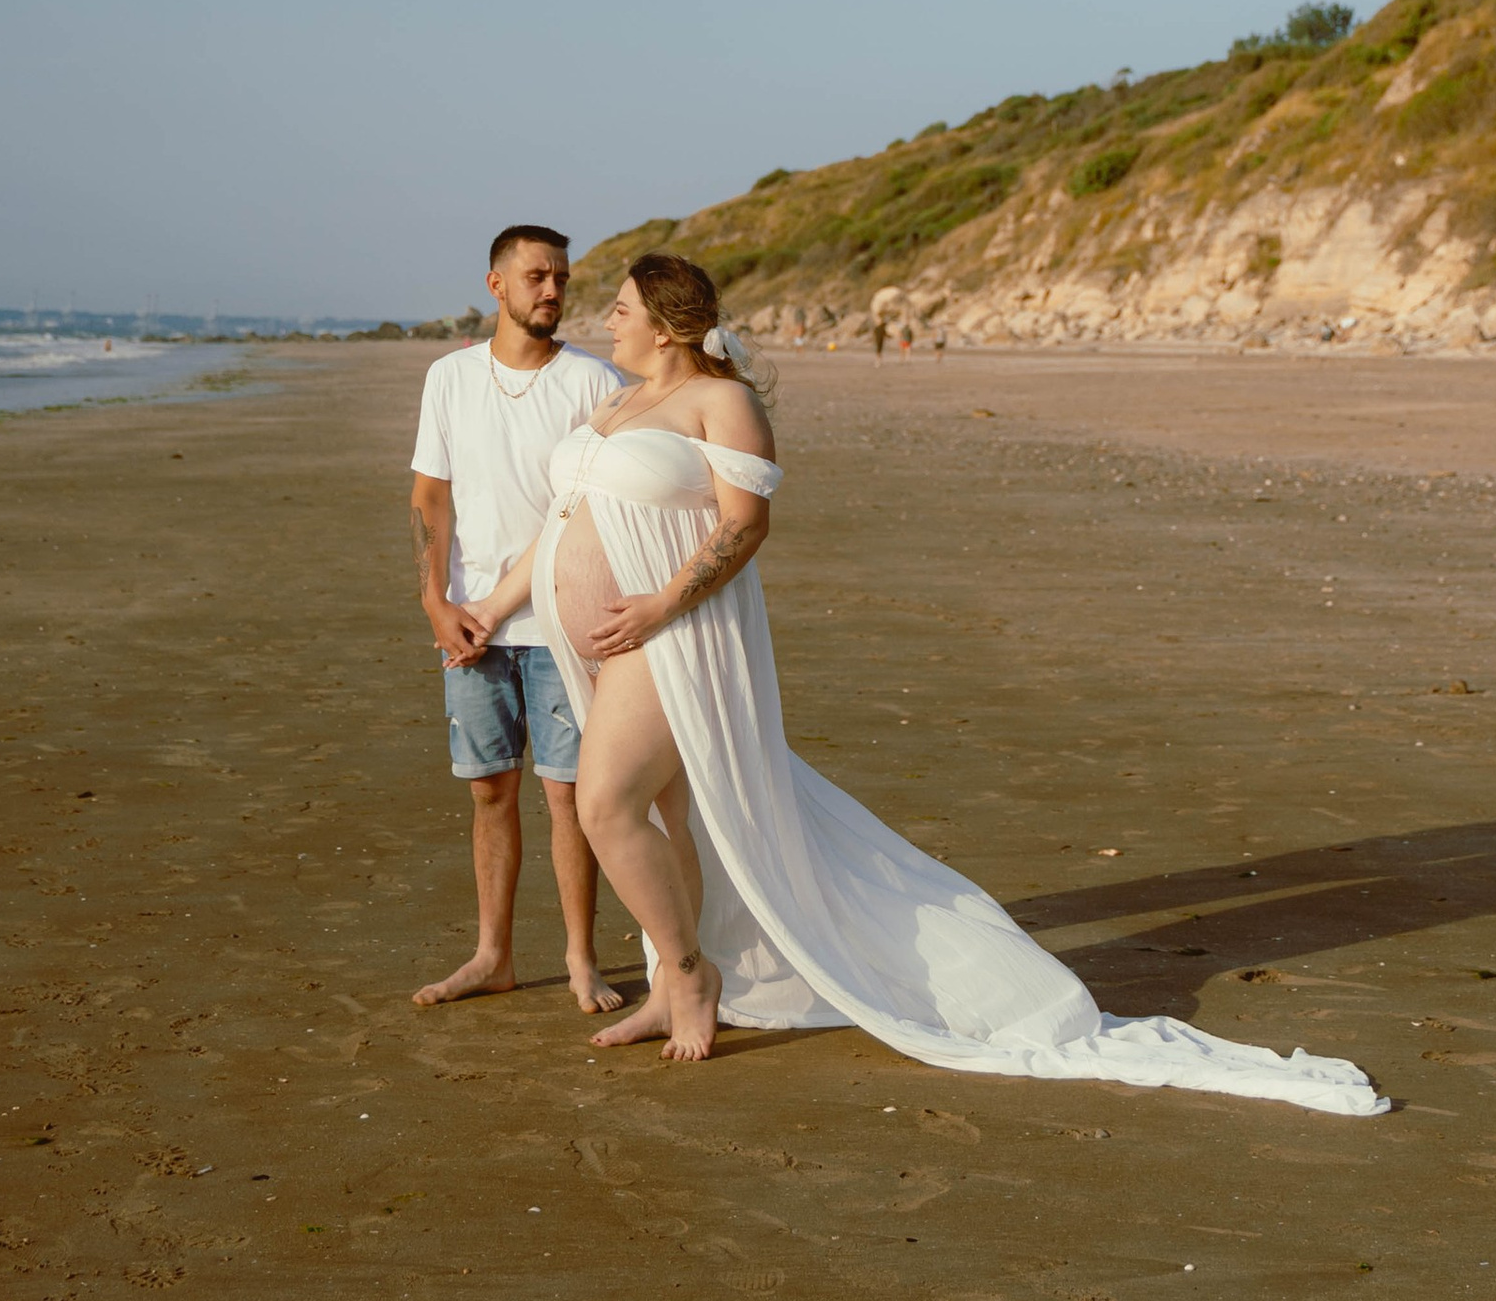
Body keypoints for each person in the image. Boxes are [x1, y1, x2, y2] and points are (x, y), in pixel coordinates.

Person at [470, 251, 1387, 1110]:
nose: (610, 320)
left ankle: (686, 973)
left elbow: (743, 530)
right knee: (673, 814)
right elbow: (561, 521)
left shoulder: (723, 404)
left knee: (605, 807)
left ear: (665, 324)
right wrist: (490, 605)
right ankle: (678, 982)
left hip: (676, 639)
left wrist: (661, 607)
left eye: (623, 308)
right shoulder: (616, 406)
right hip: (602, 642)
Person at [408, 226, 626, 1014]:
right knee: (489, 792)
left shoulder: (593, 383)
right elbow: (431, 496)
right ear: (496, 285)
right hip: (470, 626)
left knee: (571, 796)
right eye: (537, 276)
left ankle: (580, 959)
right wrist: (435, 601)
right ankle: (492, 956)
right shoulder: (450, 378)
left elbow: (588, 510)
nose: (554, 291)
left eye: (562, 278)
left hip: (565, 623)